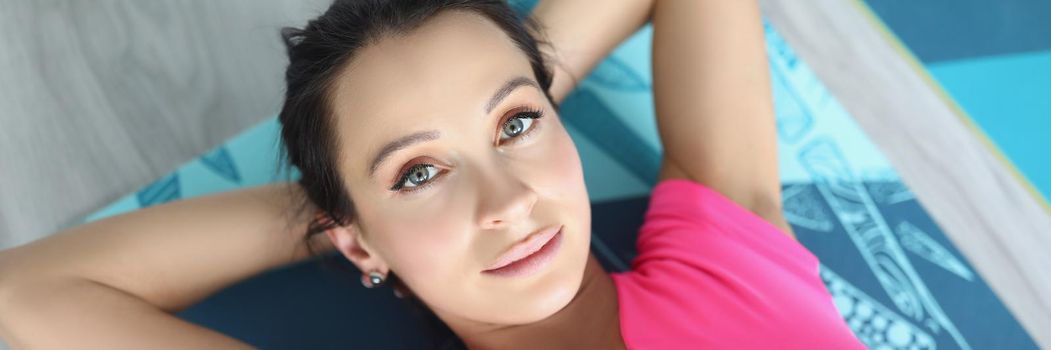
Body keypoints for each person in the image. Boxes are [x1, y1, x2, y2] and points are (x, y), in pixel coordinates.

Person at [0, 0, 865, 348]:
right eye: (418, 173)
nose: (512, 201)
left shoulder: (732, 263)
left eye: (520, 125)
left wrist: (505, 96)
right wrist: (344, 211)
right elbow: (29, 288)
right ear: (354, 242)